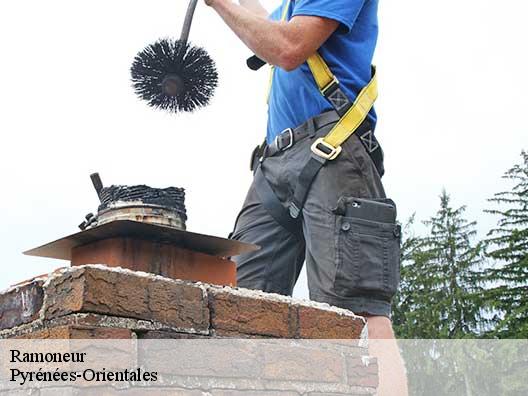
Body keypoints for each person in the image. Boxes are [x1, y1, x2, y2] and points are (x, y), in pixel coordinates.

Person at [205, 1, 407, 394]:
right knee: (241, 302)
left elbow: (288, 47)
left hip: (335, 149)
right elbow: (266, 25)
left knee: (357, 308)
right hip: (273, 163)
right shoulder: (293, 5)